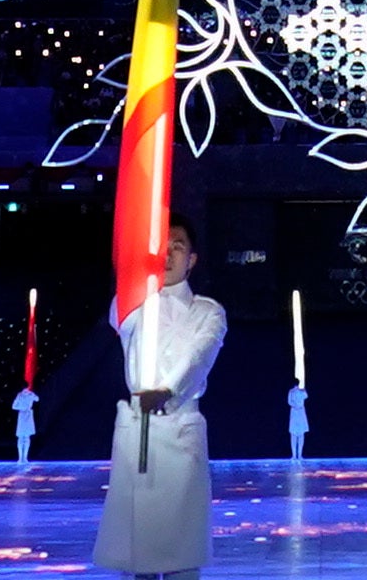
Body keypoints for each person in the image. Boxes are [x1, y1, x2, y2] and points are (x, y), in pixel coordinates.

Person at [95, 224, 227, 579]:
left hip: (180, 432)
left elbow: (199, 357)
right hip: (138, 433)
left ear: (192, 259)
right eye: (161, 247)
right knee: (136, 555)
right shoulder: (134, 307)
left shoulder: (208, 312)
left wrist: (168, 391)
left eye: (178, 247)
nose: (168, 255)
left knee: (180, 552)